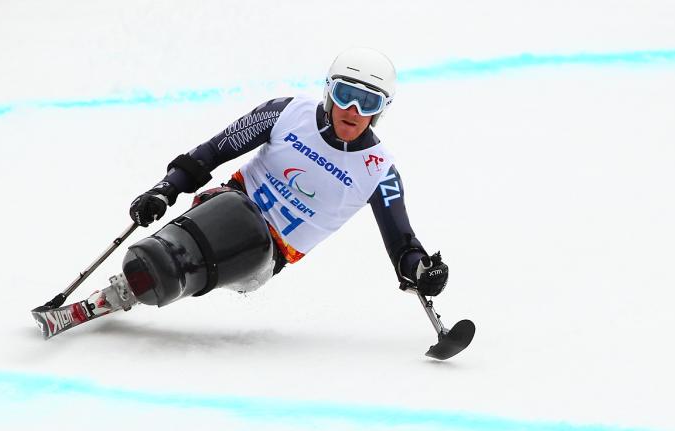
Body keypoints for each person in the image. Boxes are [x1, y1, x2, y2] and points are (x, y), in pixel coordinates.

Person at [37, 46, 449, 337]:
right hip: (226, 205)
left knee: (238, 230)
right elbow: (214, 151)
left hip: (264, 252)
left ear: (381, 110)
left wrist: (421, 271)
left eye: (367, 102)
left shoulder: (379, 170)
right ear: (328, 91)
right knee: (207, 229)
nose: (352, 112)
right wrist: (165, 190)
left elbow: (402, 244)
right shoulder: (287, 113)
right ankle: (111, 295)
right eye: (345, 96)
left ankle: (127, 289)